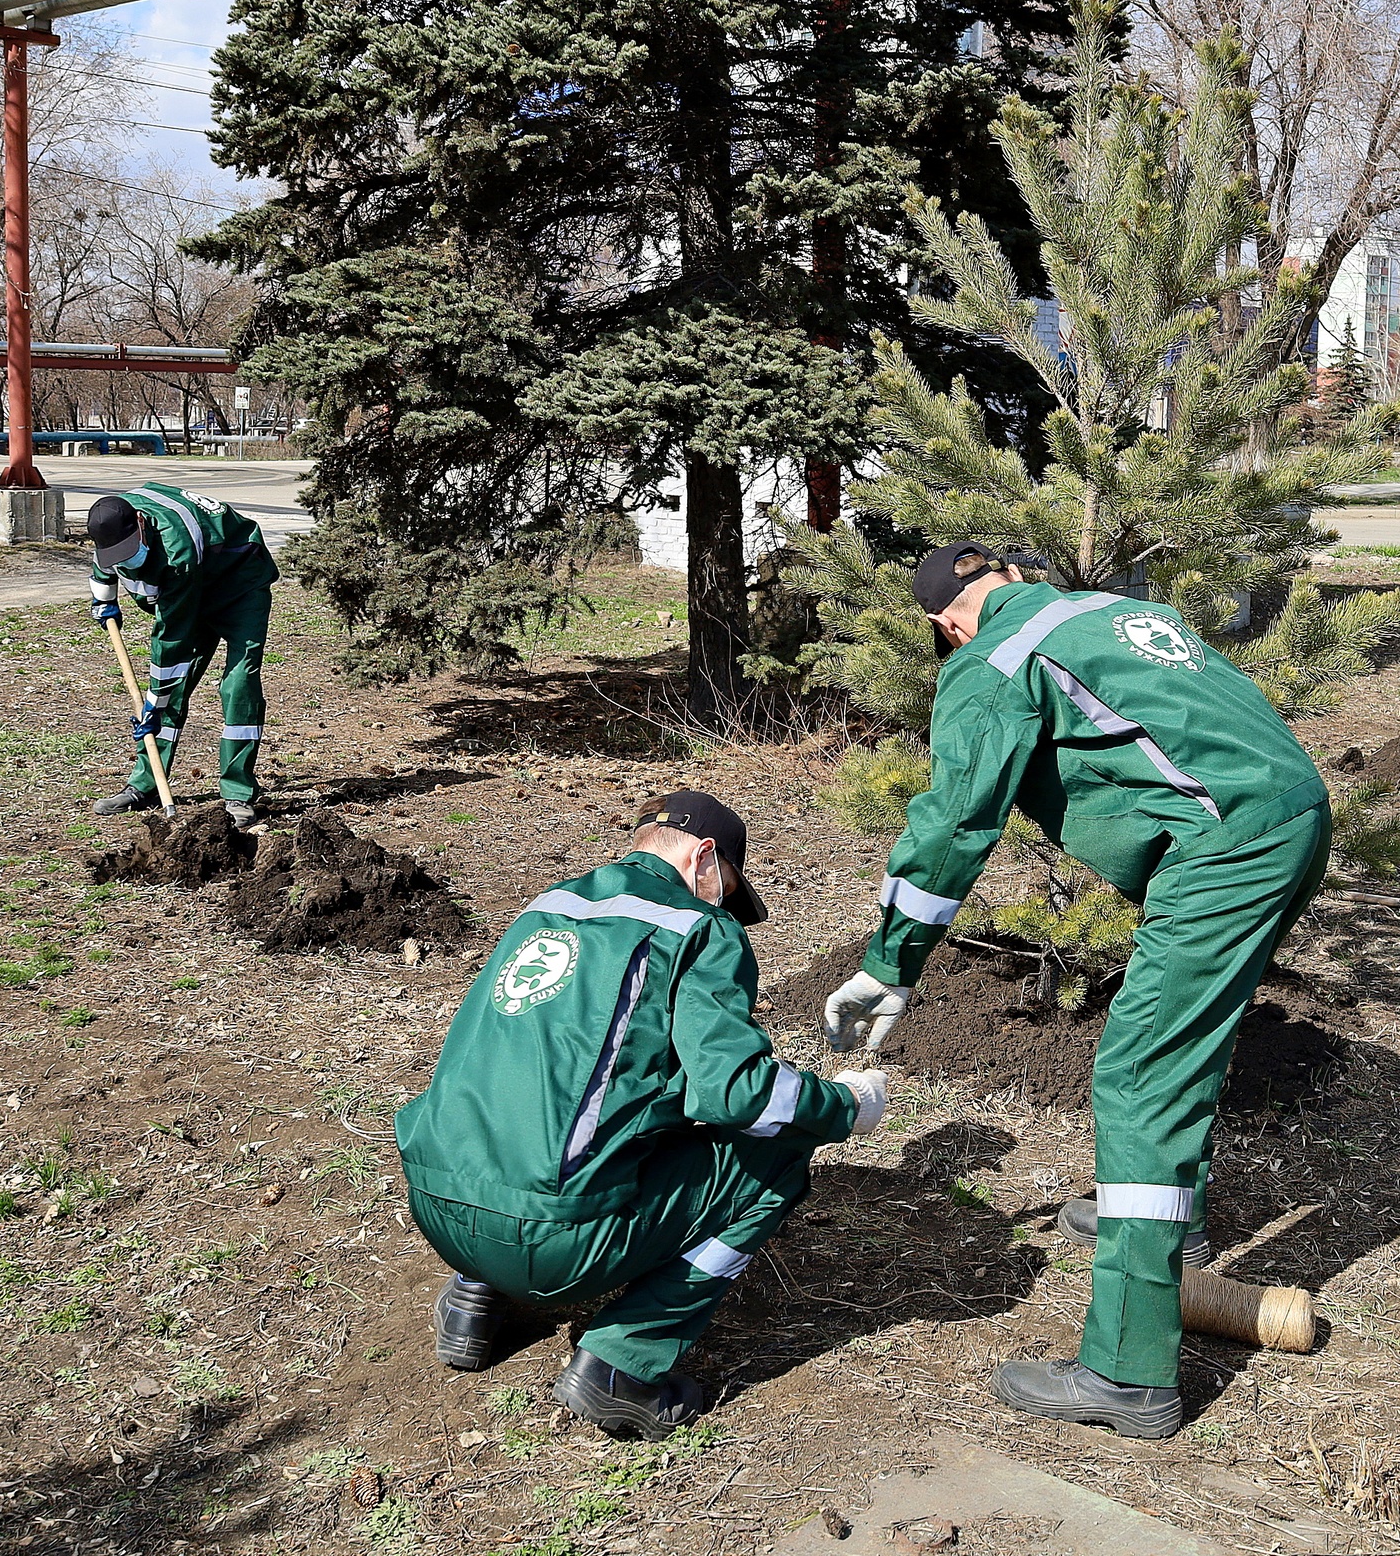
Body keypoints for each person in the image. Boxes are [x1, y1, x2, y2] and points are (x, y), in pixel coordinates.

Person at [823, 543, 1330, 1440]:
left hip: (1228, 848)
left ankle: (1129, 1373)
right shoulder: (1105, 613)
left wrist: (890, 964)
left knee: (1140, 1076)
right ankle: (1177, 1223)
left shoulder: (992, 661)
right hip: (1291, 808)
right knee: (1181, 1038)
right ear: (1012, 580)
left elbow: (952, 824)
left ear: (948, 623)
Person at [397, 791, 890, 1441]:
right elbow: (736, 1093)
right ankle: (621, 1368)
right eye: (727, 889)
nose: (723, 906)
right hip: (552, 1242)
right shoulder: (698, 927)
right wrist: (842, 1106)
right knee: (778, 1156)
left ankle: (471, 1299)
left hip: (435, 1205)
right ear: (705, 858)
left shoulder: (549, 906)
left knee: (530, 1095)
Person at [84, 487, 279, 830]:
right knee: (170, 691)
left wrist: (153, 705)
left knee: (238, 684)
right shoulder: (113, 522)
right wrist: (104, 599)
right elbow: (104, 565)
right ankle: (146, 785)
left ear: (141, 524)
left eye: (129, 551)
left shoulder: (177, 551)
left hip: (239, 579)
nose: (125, 560)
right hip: (193, 584)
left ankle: (237, 792)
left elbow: (171, 641)